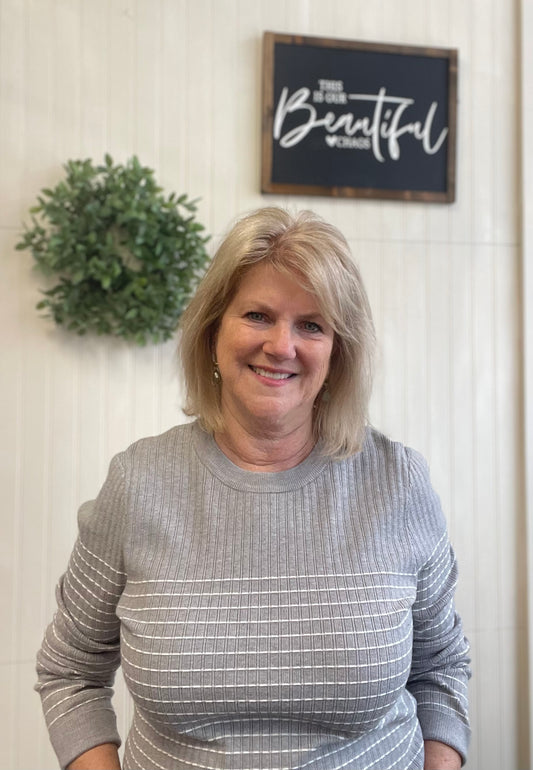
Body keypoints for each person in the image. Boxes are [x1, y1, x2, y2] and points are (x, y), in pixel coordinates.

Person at [36, 207, 471, 770]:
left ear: (338, 352)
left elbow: (440, 668)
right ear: (213, 332)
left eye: (311, 325)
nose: (281, 345)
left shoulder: (399, 484)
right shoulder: (138, 483)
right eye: (258, 315)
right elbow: (70, 670)